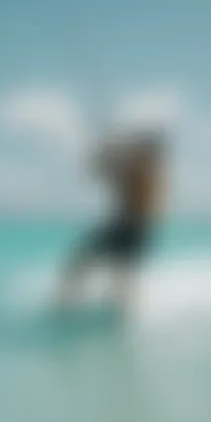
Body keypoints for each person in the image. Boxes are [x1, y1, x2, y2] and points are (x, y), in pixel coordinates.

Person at [57, 124, 168, 316]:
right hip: (129, 227)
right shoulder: (142, 169)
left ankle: (71, 306)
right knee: (115, 273)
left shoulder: (145, 172)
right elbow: (102, 170)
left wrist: (106, 150)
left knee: (107, 270)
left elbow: (105, 170)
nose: (136, 147)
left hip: (130, 228)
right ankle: (112, 313)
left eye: (141, 145)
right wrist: (106, 152)